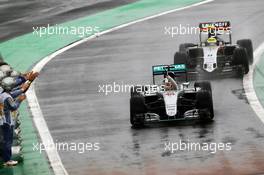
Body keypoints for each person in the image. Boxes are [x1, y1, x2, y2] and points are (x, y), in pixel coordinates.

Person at [0, 77, 32, 166]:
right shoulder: (7, 98)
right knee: (7, 141)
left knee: (4, 140)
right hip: (7, 122)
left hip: (2, 120)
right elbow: (13, 106)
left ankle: (5, 158)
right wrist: (20, 100)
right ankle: (7, 160)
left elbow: (12, 94)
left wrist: (22, 89)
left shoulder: (2, 94)